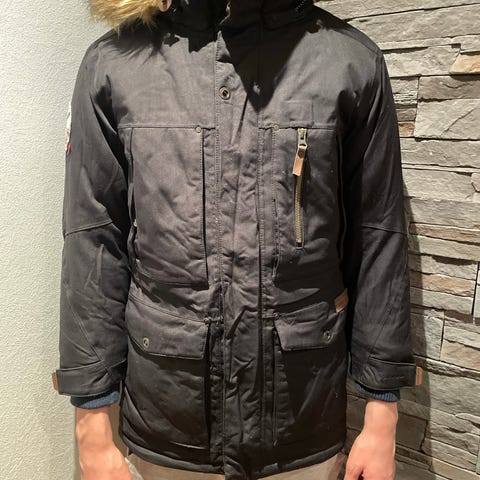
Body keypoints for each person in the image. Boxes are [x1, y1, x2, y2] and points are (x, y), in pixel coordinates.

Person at [52, 1, 422, 479]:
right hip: (169, 420)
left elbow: (378, 237)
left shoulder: (349, 61)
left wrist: (382, 414)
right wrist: (91, 420)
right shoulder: (114, 64)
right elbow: (94, 240)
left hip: (300, 422)